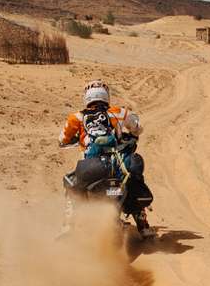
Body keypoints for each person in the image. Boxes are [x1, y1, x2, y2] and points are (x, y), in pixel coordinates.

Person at [59, 80, 153, 232]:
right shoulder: (119, 112)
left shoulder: (76, 117)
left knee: (71, 185)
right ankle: (142, 222)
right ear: (106, 95)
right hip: (117, 165)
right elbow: (137, 128)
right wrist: (132, 134)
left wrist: (74, 140)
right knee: (133, 179)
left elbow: (63, 139)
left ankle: (68, 224)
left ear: (87, 96)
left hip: (90, 166)